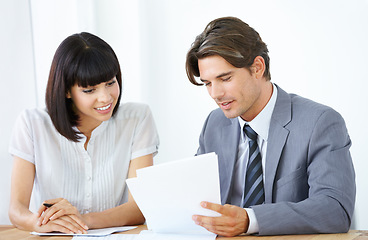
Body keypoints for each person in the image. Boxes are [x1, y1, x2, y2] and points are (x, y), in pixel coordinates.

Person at [186, 17, 355, 237]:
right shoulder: (214, 124)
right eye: (208, 83)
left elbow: (335, 210)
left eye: (225, 78)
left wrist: (250, 220)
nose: (215, 94)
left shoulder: (320, 122)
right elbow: (197, 198)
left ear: (257, 68)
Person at [8, 32, 159, 234]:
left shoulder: (138, 118)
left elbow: (139, 208)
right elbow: (16, 209)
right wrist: (39, 223)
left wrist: (81, 219)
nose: (105, 98)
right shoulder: (32, 124)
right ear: (66, 91)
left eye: (110, 83)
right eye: (90, 90)